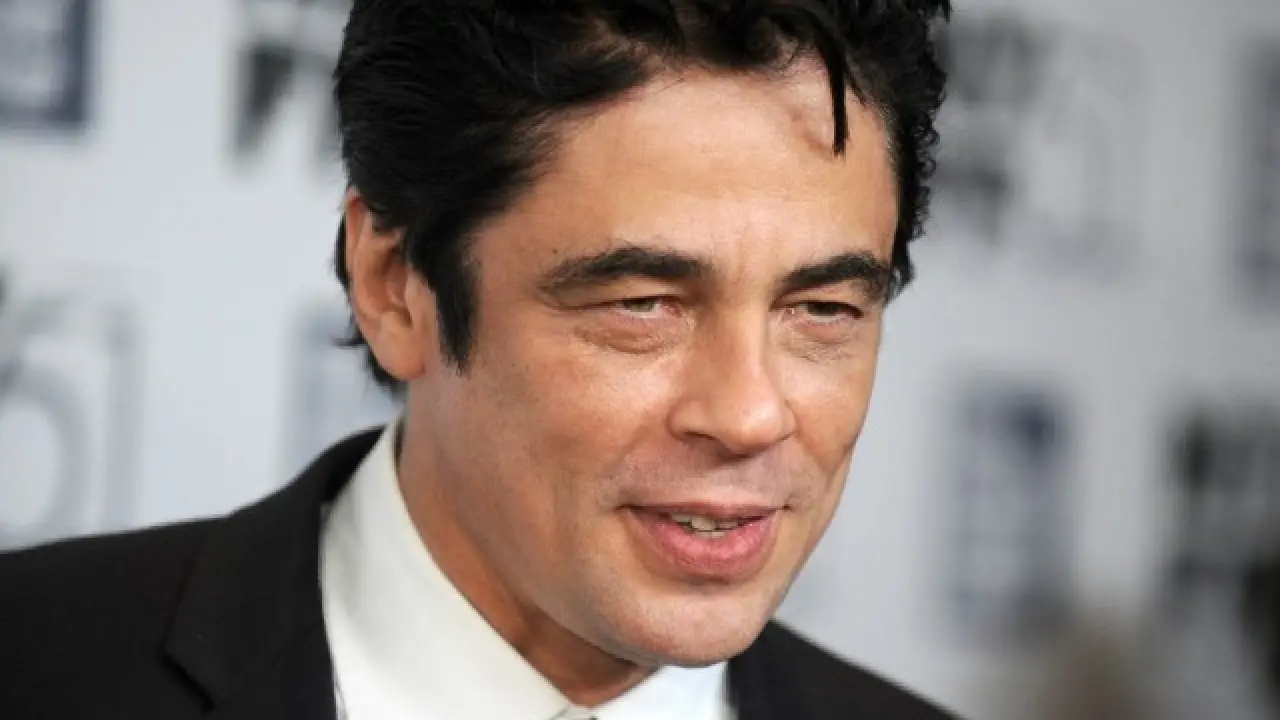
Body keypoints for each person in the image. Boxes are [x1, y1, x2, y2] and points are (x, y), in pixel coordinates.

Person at [0, 1, 956, 718]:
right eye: (642, 305)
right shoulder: (37, 666)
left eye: (824, 310)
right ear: (394, 284)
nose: (750, 414)